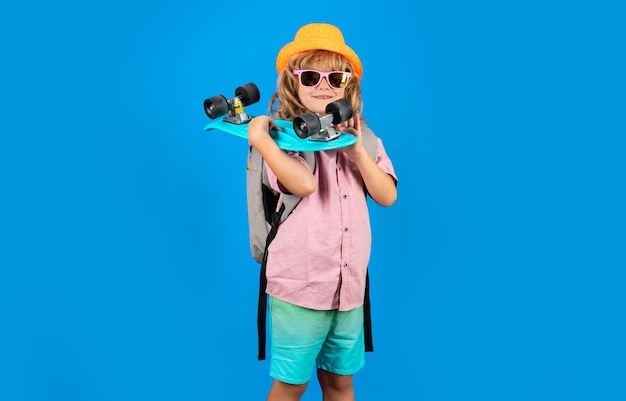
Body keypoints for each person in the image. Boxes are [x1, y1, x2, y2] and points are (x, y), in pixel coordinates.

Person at [247, 22, 398, 401]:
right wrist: (261, 140)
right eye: (311, 75)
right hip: (300, 286)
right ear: (292, 83)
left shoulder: (364, 137)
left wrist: (358, 153)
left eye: (336, 76)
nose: (324, 85)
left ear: (349, 85)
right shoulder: (281, 139)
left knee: (340, 383)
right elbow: (304, 184)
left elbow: (386, 195)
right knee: (292, 384)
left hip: (348, 286)